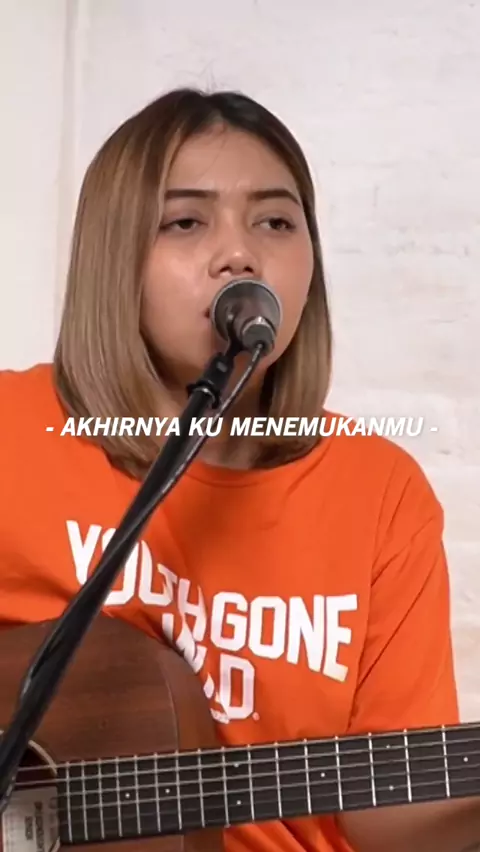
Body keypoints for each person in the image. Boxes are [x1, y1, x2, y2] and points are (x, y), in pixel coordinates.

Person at [0, 87, 478, 852]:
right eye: (186, 222)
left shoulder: (379, 492)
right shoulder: (13, 432)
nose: (240, 253)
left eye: (276, 222)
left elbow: (390, 814)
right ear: (113, 253)